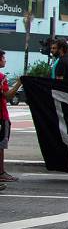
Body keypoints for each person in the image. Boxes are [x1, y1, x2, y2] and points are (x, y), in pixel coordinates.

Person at [0, 50, 23, 188]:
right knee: (1, 145)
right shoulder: (1, 77)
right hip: (1, 116)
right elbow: (8, 96)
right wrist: (19, 83)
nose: (5, 60)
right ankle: (1, 172)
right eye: (3, 58)